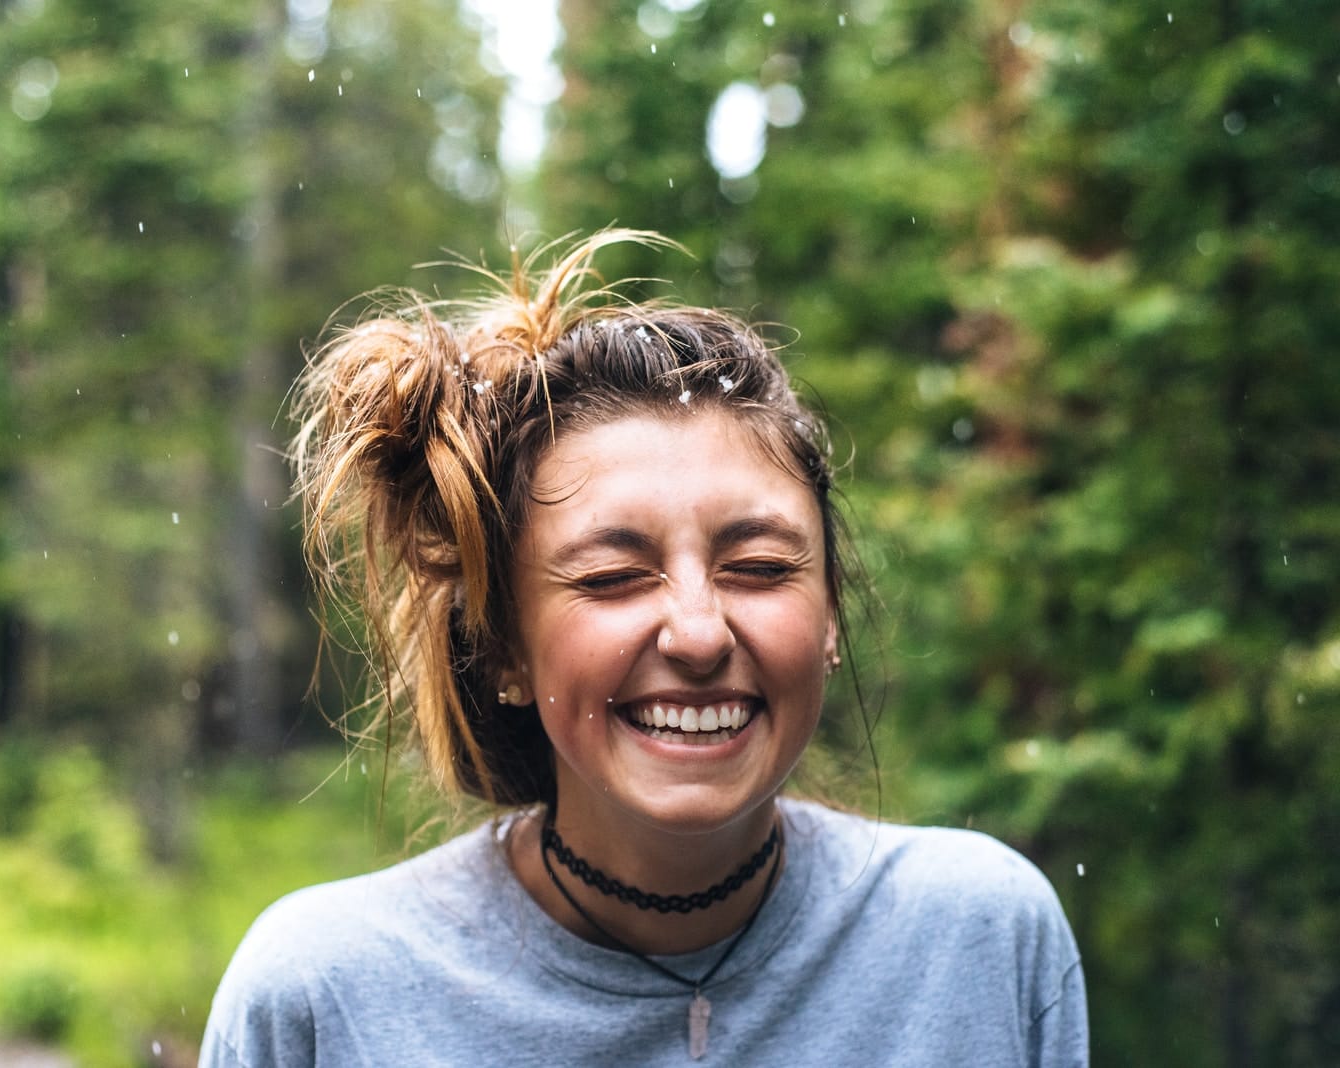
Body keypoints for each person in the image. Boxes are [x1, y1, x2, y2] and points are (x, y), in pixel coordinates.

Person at [200, 231, 1088, 1067]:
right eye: (613, 577)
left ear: (828, 619)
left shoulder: (979, 942)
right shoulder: (328, 998)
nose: (698, 634)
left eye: (759, 568)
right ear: (505, 647)